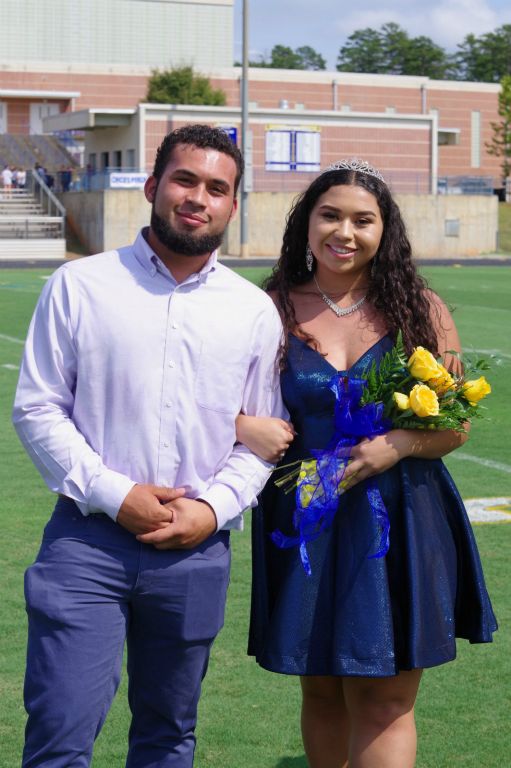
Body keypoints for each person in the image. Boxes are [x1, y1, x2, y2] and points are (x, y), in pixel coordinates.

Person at [13, 124, 285, 767]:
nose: (198, 198)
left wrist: (212, 510)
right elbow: (38, 407)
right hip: (87, 541)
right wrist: (117, 495)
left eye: (216, 188)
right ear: (152, 186)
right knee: (59, 732)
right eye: (184, 180)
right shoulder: (80, 285)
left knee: (168, 735)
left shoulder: (253, 310)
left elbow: (264, 436)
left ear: (233, 205)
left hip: (195, 551)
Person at [235, 159, 497, 768]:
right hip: (306, 515)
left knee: (387, 699)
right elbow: (216, 401)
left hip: (403, 517)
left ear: (385, 230)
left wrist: (398, 444)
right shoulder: (268, 308)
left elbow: (455, 424)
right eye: (330, 215)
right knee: (322, 689)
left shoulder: (419, 308)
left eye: (363, 220)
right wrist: (241, 426)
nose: (345, 232)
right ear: (306, 223)